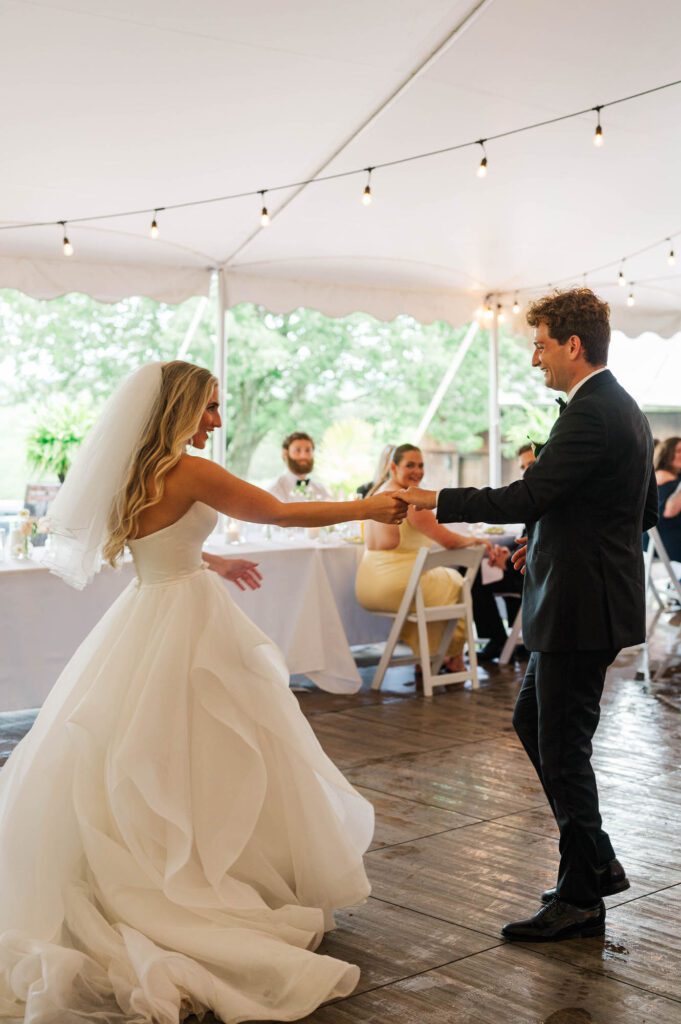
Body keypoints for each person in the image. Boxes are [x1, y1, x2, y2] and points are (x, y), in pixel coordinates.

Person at [0, 361, 407, 1023]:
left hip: (148, 609)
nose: (217, 420)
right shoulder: (187, 468)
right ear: (182, 408)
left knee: (155, 753)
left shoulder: (137, 469)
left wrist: (212, 559)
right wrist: (366, 505)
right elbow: (276, 510)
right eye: (210, 407)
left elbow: (151, 541)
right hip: (185, 622)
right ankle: (202, 878)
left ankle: (171, 860)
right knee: (214, 745)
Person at [398, 289, 657, 942]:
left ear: (572, 345)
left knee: (562, 750)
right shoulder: (618, 409)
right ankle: (588, 872)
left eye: (539, 344)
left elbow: (531, 492)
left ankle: (585, 885)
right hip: (580, 596)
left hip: (579, 608)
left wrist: (431, 497)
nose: (534, 358)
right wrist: (532, 543)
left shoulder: (593, 412)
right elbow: (621, 510)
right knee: (533, 721)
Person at [355, 443, 492, 675]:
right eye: (410, 465)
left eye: (421, 465)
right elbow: (449, 541)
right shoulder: (410, 500)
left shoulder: (375, 494)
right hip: (398, 584)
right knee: (458, 586)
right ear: (393, 466)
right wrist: (478, 541)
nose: (417, 471)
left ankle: (427, 660)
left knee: (432, 588)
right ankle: (452, 657)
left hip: (367, 584)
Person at [269, 431, 331, 501]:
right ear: (285, 454)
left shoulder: (321, 490)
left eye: (308, 450)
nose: (303, 456)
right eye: (297, 450)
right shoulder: (274, 491)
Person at [652, 436, 681, 565]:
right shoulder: (663, 476)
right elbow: (669, 511)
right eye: (679, 451)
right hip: (669, 545)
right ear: (667, 454)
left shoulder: (668, 475)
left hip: (654, 546)